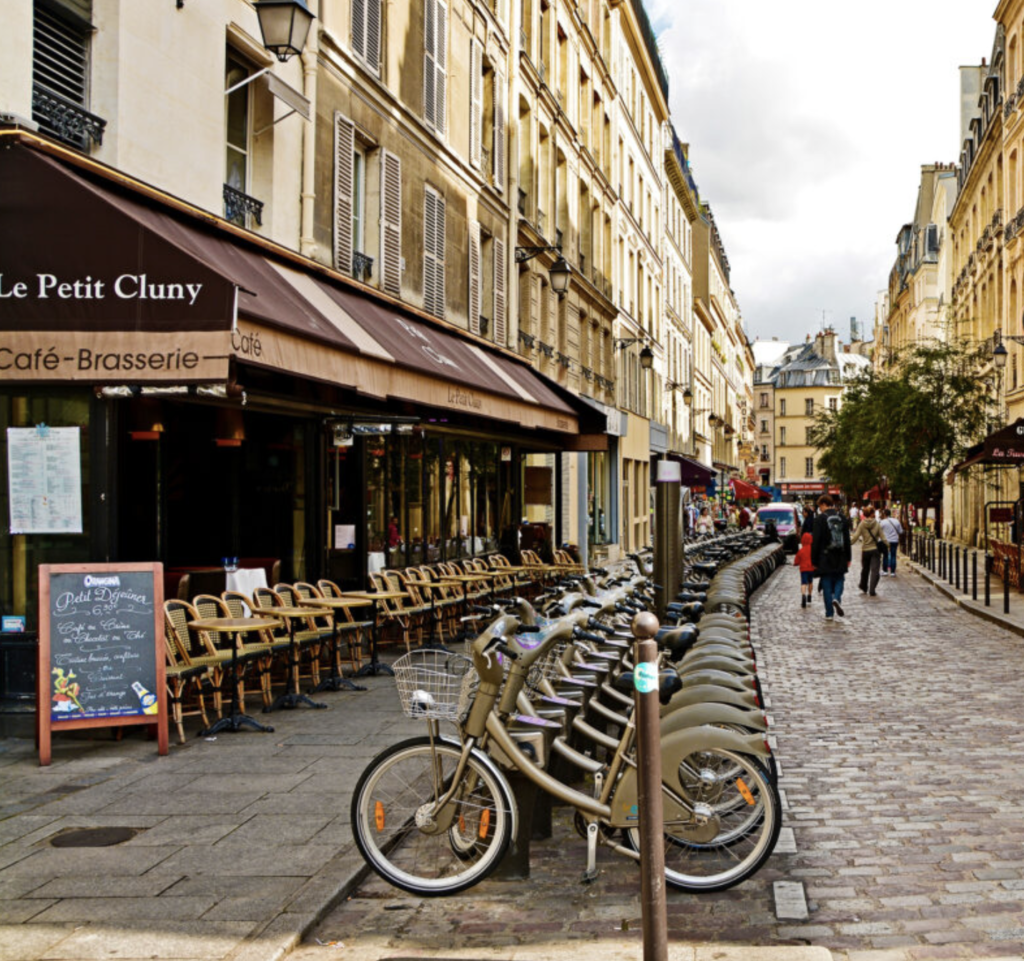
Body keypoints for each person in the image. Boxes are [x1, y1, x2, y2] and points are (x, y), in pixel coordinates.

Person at [811, 493, 851, 621]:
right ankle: (837, 598)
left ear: (824, 504)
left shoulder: (819, 519)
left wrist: (814, 560)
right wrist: (849, 557)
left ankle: (829, 613)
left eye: (820, 506)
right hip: (840, 555)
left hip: (825, 556)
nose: (820, 509)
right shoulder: (842, 518)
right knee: (840, 579)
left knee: (826, 583)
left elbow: (815, 541)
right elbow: (847, 539)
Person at [850, 505, 884, 597]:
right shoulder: (877, 523)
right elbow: (883, 537)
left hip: (865, 550)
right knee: (875, 570)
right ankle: (872, 589)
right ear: (872, 513)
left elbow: (855, 537)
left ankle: (864, 586)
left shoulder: (862, 524)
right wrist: (887, 546)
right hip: (875, 549)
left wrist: (847, 544)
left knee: (865, 569)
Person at [879, 508, 904, 576]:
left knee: (885, 556)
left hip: (885, 541)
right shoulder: (896, 521)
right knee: (893, 555)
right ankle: (893, 572)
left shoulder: (882, 522)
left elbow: (879, 532)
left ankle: (885, 571)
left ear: (884, 514)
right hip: (894, 540)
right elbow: (901, 531)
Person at [793, 531, 815, 609]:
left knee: (803, 583)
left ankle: (803, 596)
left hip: (803, 569)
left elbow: (796, 561)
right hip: (811, 569)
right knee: (810, 582)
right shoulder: (813, 550)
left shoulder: (801, 550)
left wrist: (795, 564)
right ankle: (809, 595)